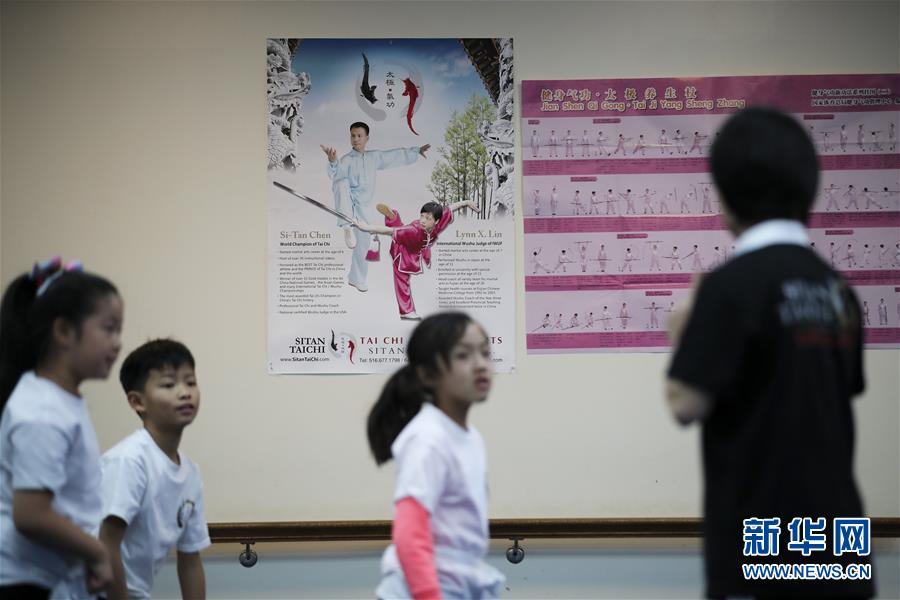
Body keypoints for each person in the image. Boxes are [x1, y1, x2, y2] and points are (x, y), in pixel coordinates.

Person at [666, 107, 874, 599]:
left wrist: (685, 331)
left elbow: (685, 403)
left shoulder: (728, 286)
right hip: (840, 546)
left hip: (760, 547)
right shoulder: (837, 288)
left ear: (725, 196)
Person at [0, 258, 122, 599]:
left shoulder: (60, 400)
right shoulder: (41, 410)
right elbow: (31, 514)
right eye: (109, 329)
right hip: (25, 584)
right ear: (64, 331)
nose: (118, 342)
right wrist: (96, 552)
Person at [367, 312, 504, 599]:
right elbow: (409, 532)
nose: (481, 365)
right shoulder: (428, 439)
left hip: (456, 585)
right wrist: (429, 595)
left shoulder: (470, 437)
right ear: (427, 375)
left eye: (485, 353)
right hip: (422, 591)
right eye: (463, 355)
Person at [97, 340, 209, 600]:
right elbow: (106, 544)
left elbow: (190, 560)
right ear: (138, 401)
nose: (185, 392)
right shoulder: (129, 460)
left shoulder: (191, 473)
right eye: (169, 385)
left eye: (190, 382)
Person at [321, 122, 430, 292]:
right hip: (347, 202)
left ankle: (356, 279)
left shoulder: (374, 157)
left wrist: (415, 151)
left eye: (359, 136)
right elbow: (335, 174)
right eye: (353, 136)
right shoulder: (347, 160)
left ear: (367, 138)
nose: (356, 139)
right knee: (341, 183)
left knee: (363, 243)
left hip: (364, 206)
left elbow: (393, 156)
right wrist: (333, 160)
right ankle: (346, 225)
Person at [353, 201, 478, 320]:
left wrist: (467, 202)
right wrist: (366, 227)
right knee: (402, 279)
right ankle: (406, 311)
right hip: (402, 251)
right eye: (422, 216)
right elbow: (388, 231)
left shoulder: (440, 219)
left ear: (437, 221)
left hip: (416, 246)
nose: (423, 220)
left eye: (427, 218)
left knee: (401, 229)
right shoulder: (414, 229)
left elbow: (450, 208)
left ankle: (393, 218)